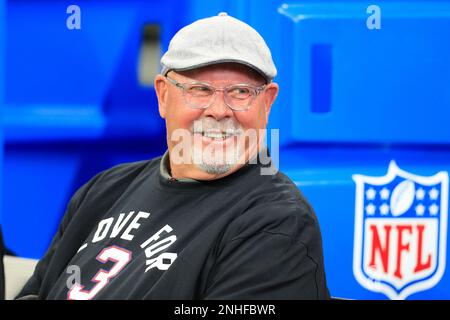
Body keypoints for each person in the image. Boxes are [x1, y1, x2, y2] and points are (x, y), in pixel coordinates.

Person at [16, 13, 329, 300]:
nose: (219, 111)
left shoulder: (278, 223)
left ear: (268, 102)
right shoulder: (104, 189)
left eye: (240, 92)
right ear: (163, 95)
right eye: (200, 90)